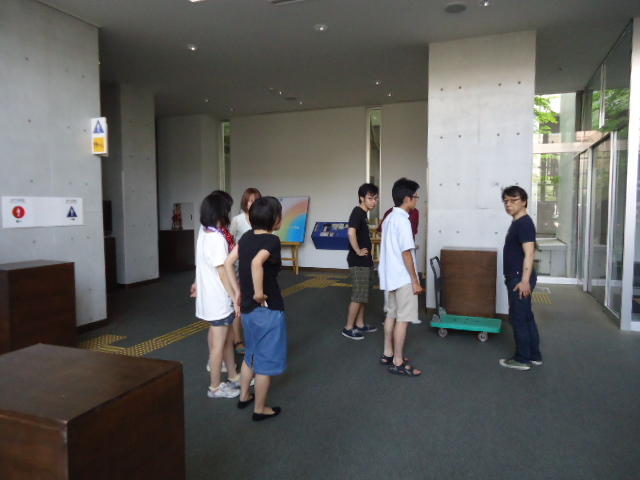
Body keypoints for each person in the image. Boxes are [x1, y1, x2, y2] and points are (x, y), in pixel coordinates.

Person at [224, 196, 287, 421]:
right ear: (274, 218)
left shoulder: (247, 237)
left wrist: (237, 293)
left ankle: (244, 396)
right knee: (265, 362)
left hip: (248, 310)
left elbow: (228, 263)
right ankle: (260, 409)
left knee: (251, 353)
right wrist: (259, 293)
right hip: (267, 309)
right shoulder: (272, 240)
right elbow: (256, 263)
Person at [193, 190, 241, 398]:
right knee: (218, 346)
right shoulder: (215, 238)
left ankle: (233, 375)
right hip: (218, 299)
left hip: (211, 297)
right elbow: (223, 273)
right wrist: (235, 297)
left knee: (227, 339)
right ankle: (214, 387)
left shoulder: (204, 232)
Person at [378, 178, 423, 376]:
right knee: (403, 320)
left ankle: (387, 353)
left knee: (391, 315)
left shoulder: (389, 218)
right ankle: (397, 361)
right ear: (407, 198)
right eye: (416, 196)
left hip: (390, 277)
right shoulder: (403, 220)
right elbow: (406, 253)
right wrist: (415, 280)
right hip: (403, 278)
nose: (417, 200)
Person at [499, 186, 542, 371]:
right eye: (506, 201)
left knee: (518, 318)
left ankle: (522, 359)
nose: (508, 204)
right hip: (518, 277)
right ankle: (534, 355)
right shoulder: (518, 222)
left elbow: (529, 253)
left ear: (524, 201)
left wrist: (524, 281)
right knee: (526, 316)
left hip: (519, 279)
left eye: (513, 200)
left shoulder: (524, 223)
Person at [341, 183, 379, 340]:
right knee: (358, 295)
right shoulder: (357, 212)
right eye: (370, 198)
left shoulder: (363, 214)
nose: (374, 202)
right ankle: (348, 328)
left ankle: (360, 324)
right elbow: (351, 233)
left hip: (365, 261)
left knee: (363, 294)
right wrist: (357, 251)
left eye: (375, 198)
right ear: (362, 198)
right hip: (358, 262)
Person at [229, 187, 262, 354]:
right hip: (239, 268)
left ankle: (255, 339)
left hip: (257, 268)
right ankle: (237, 341)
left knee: (256, 304)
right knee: (239, 304)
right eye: (249, 201)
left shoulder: (262, 219)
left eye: (255, 200)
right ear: (245, 202)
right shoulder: (237, 220)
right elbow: (229, 241)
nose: (252, 203)